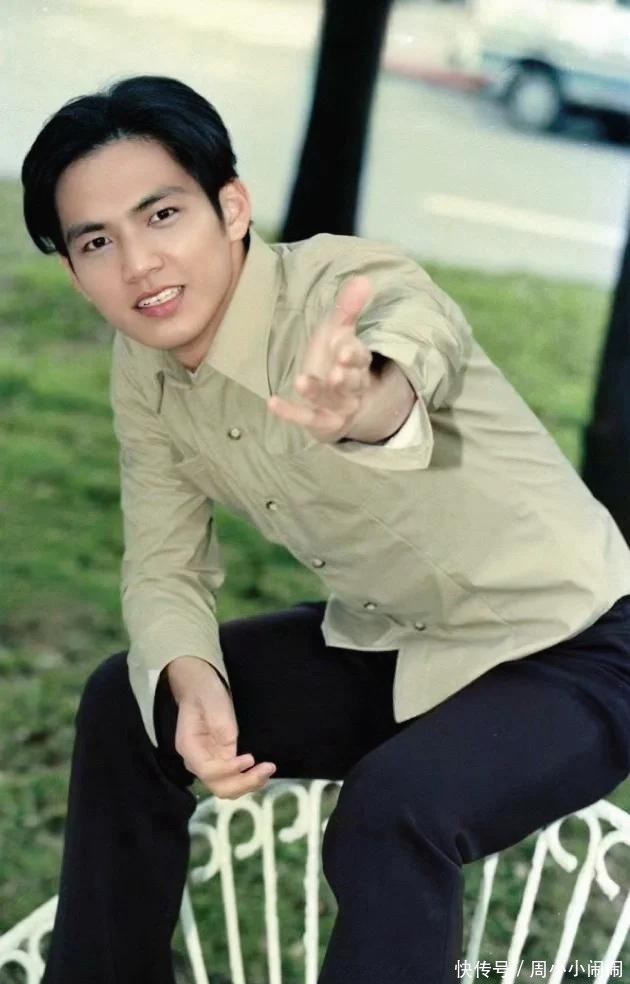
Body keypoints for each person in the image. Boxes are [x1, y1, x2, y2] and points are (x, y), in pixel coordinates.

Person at [21, 75, 630, 984]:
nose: (139, 264)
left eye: (162, 215)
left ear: (232, 207)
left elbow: (408, 357)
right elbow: (162, 564)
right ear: (75, 271)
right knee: (130, 700)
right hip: (399, 644)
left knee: (393, 811)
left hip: (576, 646)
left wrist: (364, 404)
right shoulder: (143, 370)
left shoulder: (351, 285)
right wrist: (193, 680)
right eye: (98, 241)